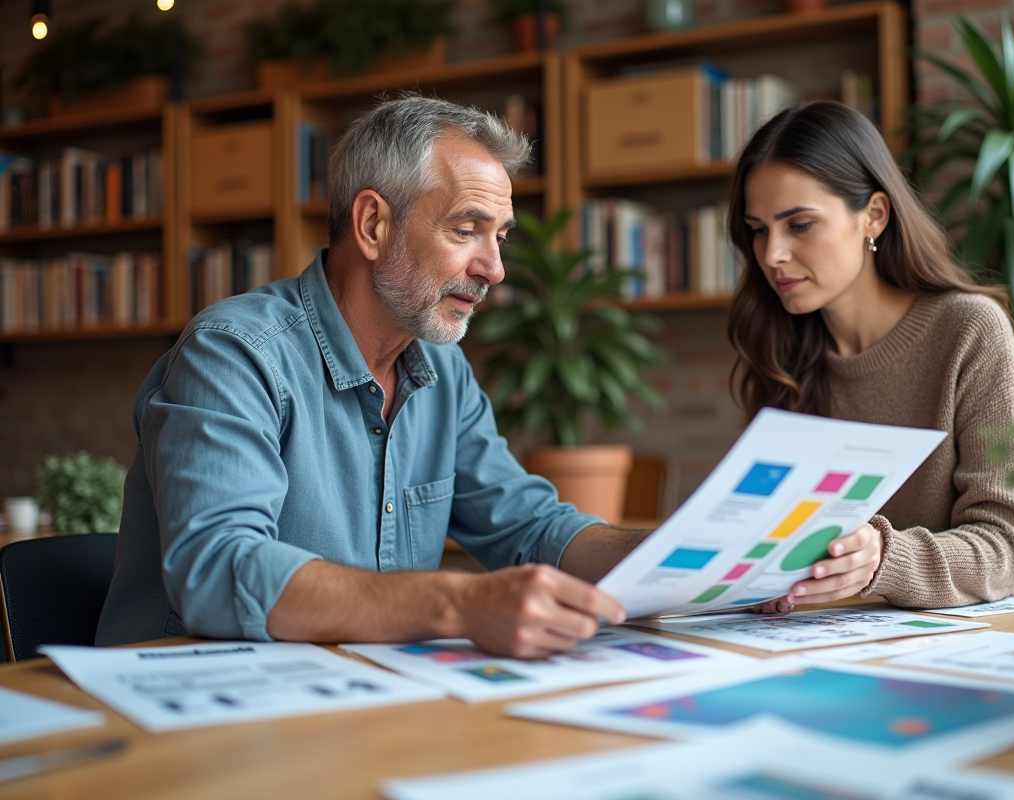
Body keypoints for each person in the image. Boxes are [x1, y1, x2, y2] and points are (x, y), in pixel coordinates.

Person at [97, 95, 645, 657]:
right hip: (194, 705)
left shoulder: (444, 371)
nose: (495, 269)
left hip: (362, 699)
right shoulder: (235, 353)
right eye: (465, 230)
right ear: (373, 224)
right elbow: (218, 569)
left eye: (499, 236)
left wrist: (687, 558)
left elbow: (531, 528)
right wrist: (458, 605)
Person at [726, 101, 1014, 613]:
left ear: (873, 215)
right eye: (758, 229)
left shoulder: (969, 329)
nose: (771, 254)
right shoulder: (782, 352)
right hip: (869, 629)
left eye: (799, 225)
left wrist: (882, 559)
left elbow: (1005, 545)